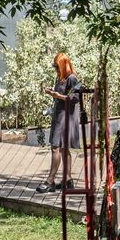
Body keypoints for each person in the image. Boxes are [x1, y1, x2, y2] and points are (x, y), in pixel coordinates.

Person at [37, 52, 82, 193]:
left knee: (55, 147)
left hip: (66, 117)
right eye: (54, 66)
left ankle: (50, 180)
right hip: (59, 116)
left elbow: (76, 99)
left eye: (57, 66)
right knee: (62, 149)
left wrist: (59, 96)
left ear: (64, 65)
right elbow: (60, 96)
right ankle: (67, 180)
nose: (55, 69)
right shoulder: (60, 78)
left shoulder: (73, 79)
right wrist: (52, 93)